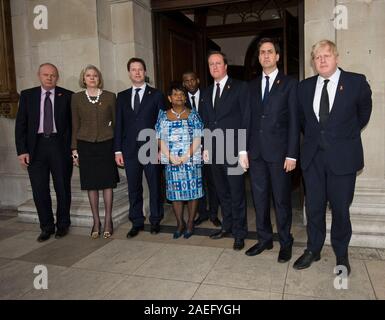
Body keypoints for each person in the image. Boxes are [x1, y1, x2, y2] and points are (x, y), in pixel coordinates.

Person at [293, 40, 372, 275]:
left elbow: (363, 115)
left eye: (327, 55)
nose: (322, 60)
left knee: (340, 209)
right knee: (314, 208)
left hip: (343, 158)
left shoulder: (356, 82)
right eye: (317, 57)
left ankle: (341, 254)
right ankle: (313, 249)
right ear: (313, 61)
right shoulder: (304, 87)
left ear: (336, 57)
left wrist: (341, 137)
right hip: (313, 159)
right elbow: (304, 122)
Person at [245, 38, 299, 263]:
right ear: (259, 58)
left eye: (270, 52)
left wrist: (292, 153)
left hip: (279, 155)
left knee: (281, 200)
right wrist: (242, 151)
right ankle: (265, 238)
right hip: (256, 154)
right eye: (262, 52)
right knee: (259, 199)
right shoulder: (251, 86)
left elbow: (295, 122)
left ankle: (286, 241)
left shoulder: (289, 84)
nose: (266, 55)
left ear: (277, 56)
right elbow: (247, 119)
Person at [15, 63, 73, 242]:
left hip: (59, 147)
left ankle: (63, 224)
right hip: (36, 148)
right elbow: (21, 125)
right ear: (39, 76)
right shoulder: (27, 95)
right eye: (46, 74)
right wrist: (22, 150)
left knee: (62, 187)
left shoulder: (68, 96)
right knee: (40, 189)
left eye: (53, 75)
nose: (49, 78)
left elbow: (72, 126)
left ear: (57, 77)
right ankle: (46, 226)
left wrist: (72, 149)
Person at [201, 51, 251, 250]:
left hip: (233, 147)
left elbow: (246, 119)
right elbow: (206, 121)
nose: (214, 67)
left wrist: (243, 151)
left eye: (218, 63)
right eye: (211, 64)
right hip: (213, 149)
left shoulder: (240, 87)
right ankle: (227, 226)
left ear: (225, 66)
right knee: (222, 192)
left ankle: (240, 233)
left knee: (237, 192)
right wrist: (205, 146)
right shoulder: (205, 93)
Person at [114, 58, 165, 238]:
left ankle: (156, 219)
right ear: (129, 73)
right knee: (134, 187)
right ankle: (136, 221)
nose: (137, 73)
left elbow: (161, 124)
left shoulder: (157, 95)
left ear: (145, 72)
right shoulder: (121, 96)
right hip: (129, 150)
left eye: (140, 69)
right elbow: (118, 124)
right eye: (133, 70)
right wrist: (117, 150)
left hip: (151, 148)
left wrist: (161, 149)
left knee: (154, 186)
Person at [71, 65, 119, 239]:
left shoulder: (110, 96)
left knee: (107, 184)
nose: (92, 78)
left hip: (106, 144)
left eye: (95, 75)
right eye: (88, 75)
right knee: (91, 185)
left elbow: (116, 123)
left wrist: (116, 147)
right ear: (83, 79)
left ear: (99, 78)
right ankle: (96, 221)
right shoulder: (76, 98)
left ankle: (108, 221)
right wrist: (74, 149)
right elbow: (75, 125)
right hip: (85, 146)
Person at [156, 83, 204, 238]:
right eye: (175, 94)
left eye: (182, 94)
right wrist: (171, 157)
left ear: (185, 98)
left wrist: (185, 157)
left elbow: (197, 138)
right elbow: (159, 138)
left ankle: (190, 222)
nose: (179, 97)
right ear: (170, 98)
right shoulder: (163, 115)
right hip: (171, 161)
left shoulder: (193, 114)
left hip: (191, 161)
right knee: (175, 193)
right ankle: (180, 223)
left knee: (193, 192)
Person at [182, 71, 221, 228]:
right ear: (184, 83)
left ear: (197, 80)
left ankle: (213, 214)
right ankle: (202, 213)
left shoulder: (208, 94)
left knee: (212, 182)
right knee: (197, 182)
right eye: (187, 81)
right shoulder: (181, 100)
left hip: (209, 146)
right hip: (190, 150)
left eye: (192, 80)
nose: (190, 83)